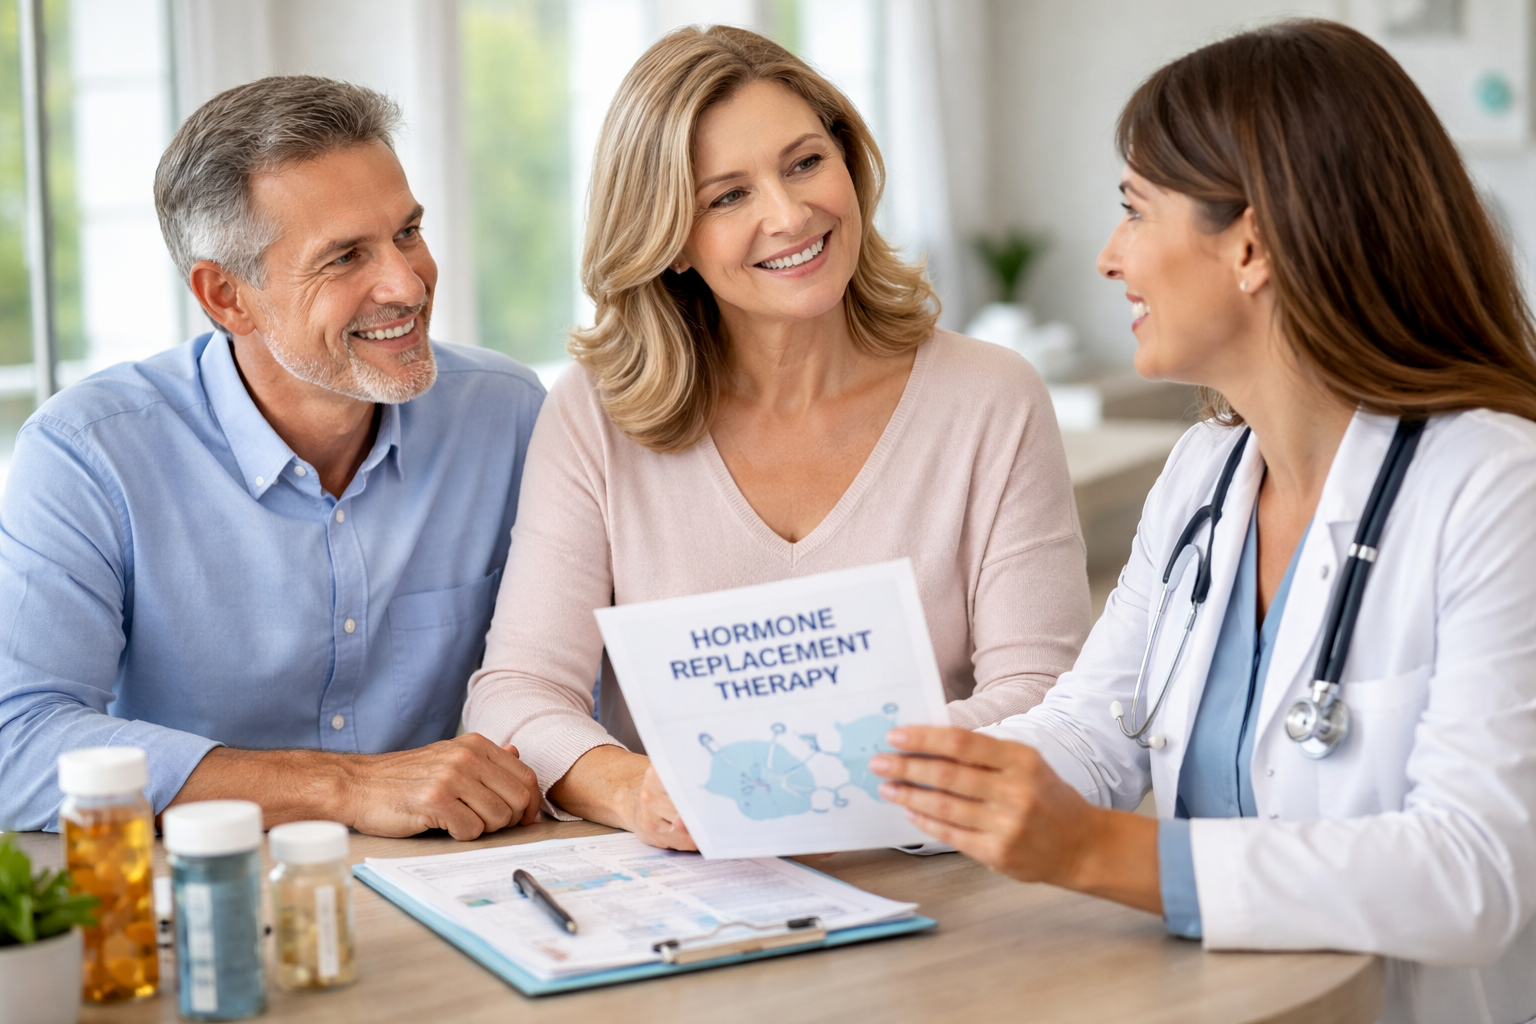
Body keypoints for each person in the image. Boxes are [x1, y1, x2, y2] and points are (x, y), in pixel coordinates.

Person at [872, 20, 1536, 1023]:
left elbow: (1471, 874)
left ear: (1252, 245)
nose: (1109, 257)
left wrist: (1098, 851)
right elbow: (1093, 729)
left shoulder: (1493, 487)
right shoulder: (1205, 474)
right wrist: (883, 774)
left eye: (1134, 211)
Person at [463, 26, 1091, 850]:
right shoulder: (593, 415)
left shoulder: (992, 396)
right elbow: (515, 694)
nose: (790, 215)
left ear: (848, 163)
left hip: (940, 875)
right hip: (691, 889)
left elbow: (1045, 696)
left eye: (804, 163)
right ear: (670, 240)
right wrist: (634, 791)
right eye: (728, 197)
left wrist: (807, 777)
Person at [0, 77, 545, 839]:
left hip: (449, 873)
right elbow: (18, 744)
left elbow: (574, 680)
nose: (406, 284)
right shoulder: (90, 454)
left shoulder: (508, 414)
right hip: (202, 882)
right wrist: (342, 788)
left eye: (408, 232)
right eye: (346, 256)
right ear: (227, 296)